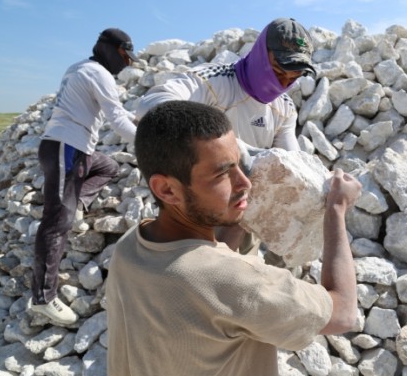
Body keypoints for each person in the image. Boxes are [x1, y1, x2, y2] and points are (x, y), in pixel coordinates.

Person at [106, 101, 361, 376]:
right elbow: (343, 312)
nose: (244, 182)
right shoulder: (233, 281)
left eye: (240, 164)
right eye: (222, 174)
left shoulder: (130, 249)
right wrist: (336, 209)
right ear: (167, 190)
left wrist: (237, 208)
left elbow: (209, 258)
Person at [134, 18, 315, 253]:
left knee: (240, 275)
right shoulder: (215, 82)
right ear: (260, 54)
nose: (282, 84)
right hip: (199, 213)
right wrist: (233, 148)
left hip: (241, 215)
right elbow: (149, 107)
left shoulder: (284, 108)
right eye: (279, 71)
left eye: (293, 78)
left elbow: (290, 161)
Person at [29, 28, 139, 325]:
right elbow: (117, 121)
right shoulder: (98, 73)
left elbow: (116, 112)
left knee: (109, 167)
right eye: (124, 57)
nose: (126, 64)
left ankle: (76, 203)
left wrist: (137, 121)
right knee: (56, 222)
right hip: (66, 147)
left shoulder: (78, 67)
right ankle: (43, 298)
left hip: (72, 149)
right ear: (111, 49)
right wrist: (148, 143)